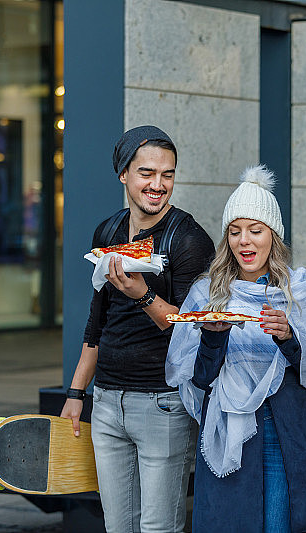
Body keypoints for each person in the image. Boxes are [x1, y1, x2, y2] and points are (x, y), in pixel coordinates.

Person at [61, 125, 215, 533]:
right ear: (123, 174)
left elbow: (192, 327)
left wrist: (142, 294)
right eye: (147, 173)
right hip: (108, 400)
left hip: (163, 404)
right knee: (118, 527)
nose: (158, 184)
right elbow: (97, 320)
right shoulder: (107, 232)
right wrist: (77, 393)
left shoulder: (189, 239)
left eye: (167, 174)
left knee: (158, 528)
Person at [166, 165, 306, 533]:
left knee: (282, 524)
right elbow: (198, 379)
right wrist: (213, 335)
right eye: (235, 232)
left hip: (284, 428)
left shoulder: (299, 290)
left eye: (256, 230)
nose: (245, 241)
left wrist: (288, 338)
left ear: (274, 236)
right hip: (227, 427)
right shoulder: (206, 293)